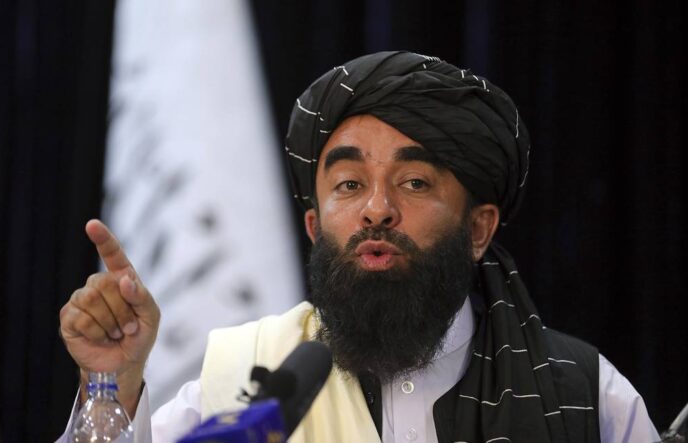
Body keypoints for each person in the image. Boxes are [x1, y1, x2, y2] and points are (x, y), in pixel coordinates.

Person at [58, 51, 659, 442]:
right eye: (349, 184)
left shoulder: (584, 395)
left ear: (478, 230)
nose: (376, 208)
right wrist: (111, 383)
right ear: (315, 228)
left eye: (414, 182)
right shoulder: (246, 384)